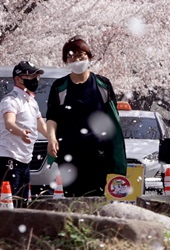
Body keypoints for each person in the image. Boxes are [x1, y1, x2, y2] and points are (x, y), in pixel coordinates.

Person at [44, 37, 127, 196]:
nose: (77, 60)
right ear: (66, 60)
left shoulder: (103, 84)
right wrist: (52, 139)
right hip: (69, 149)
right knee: (72, 195)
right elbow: (52, 116)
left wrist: (115, 151)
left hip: (97, 152)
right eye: (71, 56)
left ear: (89, 57)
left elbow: (112, 119)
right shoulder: (60, 87)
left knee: (95, 195)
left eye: (81, 56)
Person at [0, 63, 51, 202]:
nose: (34, 79)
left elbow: (41, 125)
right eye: (30, 75)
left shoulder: (32, 102)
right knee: (9, 201)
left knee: (23, 201)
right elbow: (9, 123)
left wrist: (53, 139)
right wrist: (21, 132)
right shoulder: (11, 100)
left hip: (25, 159)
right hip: (9, 157)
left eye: (36, 76)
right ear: (17, 79)